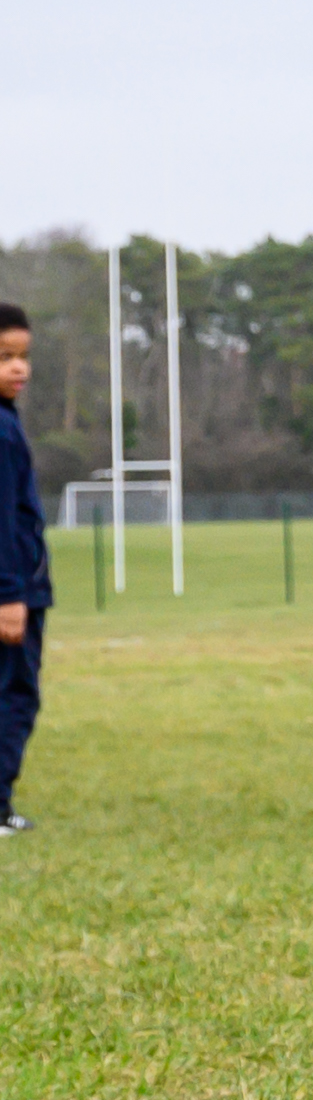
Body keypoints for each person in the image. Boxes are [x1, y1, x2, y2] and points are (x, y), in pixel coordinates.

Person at [0, 304, 48, 837]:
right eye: (4, 357)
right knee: (14, 694)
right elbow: (5, 523)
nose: (19, 369)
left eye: (24, 357)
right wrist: (10, 594)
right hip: (12, 593)